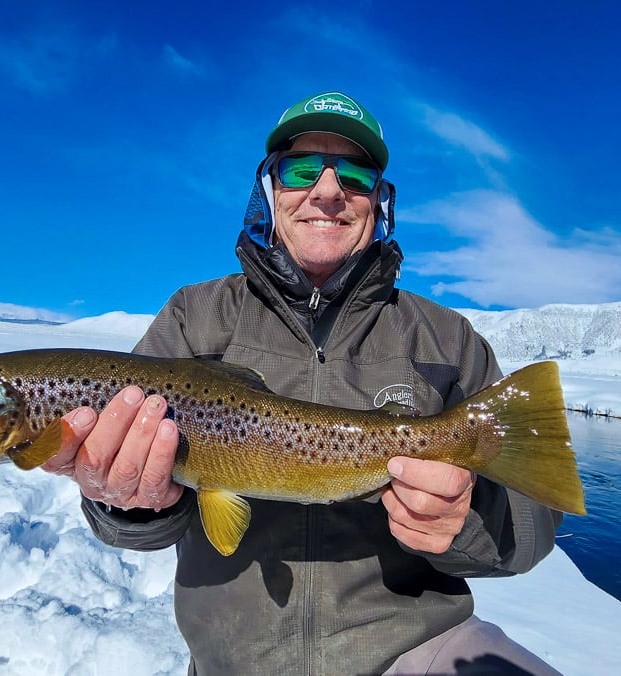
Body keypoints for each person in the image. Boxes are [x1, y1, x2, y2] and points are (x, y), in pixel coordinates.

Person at [42, 91, 564, 675]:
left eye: (355, 174)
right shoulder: (193, 317)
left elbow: (535, 520)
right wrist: (132, 503)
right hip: (234, 660)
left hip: (415, 650)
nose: (327, 190)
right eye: (301, 169)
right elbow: (132, 525)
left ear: (379, 200)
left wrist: (461, 521)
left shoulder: (446, 339)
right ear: (270, 190)